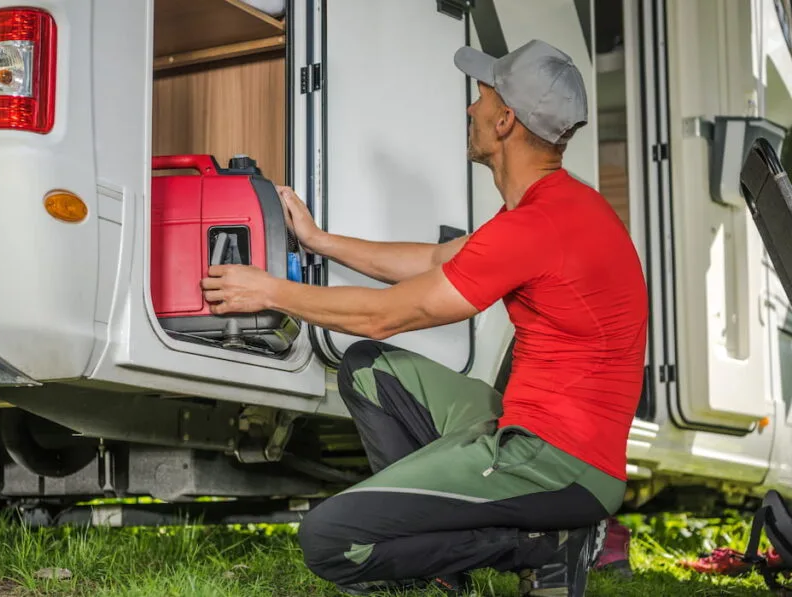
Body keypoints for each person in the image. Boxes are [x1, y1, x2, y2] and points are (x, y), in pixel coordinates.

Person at [200, 39, 649, 596]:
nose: (470, 108)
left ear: (505, 120)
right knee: (368, 369)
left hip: (557, 464)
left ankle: (545, 545)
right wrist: (319, 240)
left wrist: (271, 292)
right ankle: (438, 560)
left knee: (330, 539)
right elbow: (435, 260)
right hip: (528, 426)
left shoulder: (539, 226)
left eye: (481, 96)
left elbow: (386, 317)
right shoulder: (558, 208)